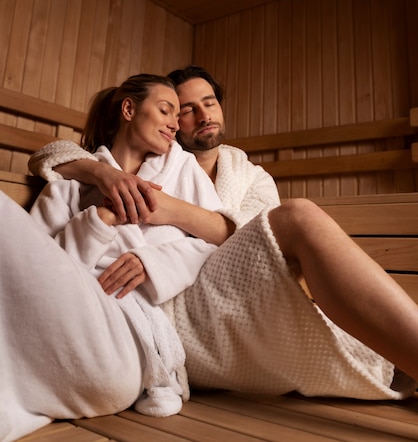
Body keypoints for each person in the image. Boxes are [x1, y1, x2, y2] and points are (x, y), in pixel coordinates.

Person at [28, 68, 418, 402]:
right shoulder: (133, 162)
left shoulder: (242, 174)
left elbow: (253, 241)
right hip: (159, 307)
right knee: (299, 216)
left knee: (298, 217)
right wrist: (102, 175)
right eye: (181, 109)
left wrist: (166, 217)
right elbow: (53, 157)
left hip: (232, 284)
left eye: (209, 102)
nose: (198, 116)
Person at [0, 73, 234, 442]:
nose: (176, 122)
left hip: (125, 346)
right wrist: (101, 218)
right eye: (166, 110)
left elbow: (215, 240)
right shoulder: (70, 185)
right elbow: (33, 278)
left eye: (178, 114)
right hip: (56, 341)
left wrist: (151, 263)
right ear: (129, 109)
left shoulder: (182, 168)